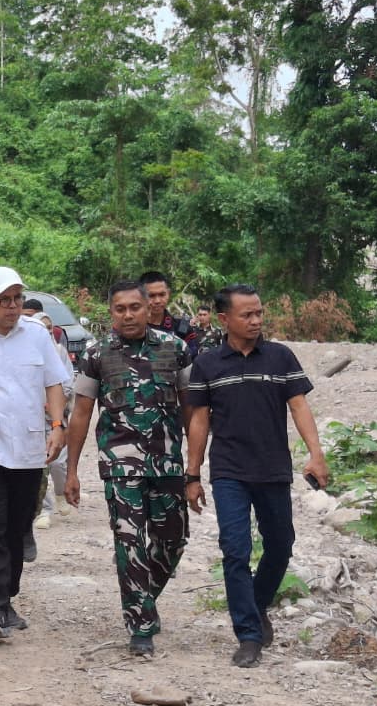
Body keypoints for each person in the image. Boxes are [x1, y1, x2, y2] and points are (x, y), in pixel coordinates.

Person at [184, 284, 328, 668]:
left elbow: (299, 406)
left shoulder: (280, 357)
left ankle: (257, 603)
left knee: (281, 545)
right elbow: (199, 421)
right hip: (229, 471)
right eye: (246, 314)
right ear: (224, 319)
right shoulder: (208, 364)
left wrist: (316, 455)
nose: (255, 320)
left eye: (259, 313)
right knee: (235, 550)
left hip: (273, 468)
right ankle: (248, 635)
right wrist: (192, 474)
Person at [63, 280, 193, 657]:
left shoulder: (175, 349)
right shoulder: (96, 354)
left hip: (168, 464)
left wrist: (196, 464)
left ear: (148, 308)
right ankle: (140, 626)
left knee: (173, 540)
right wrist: (71, 470)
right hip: (120, 467)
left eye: (135, 307)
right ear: (111, 313)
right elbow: (81, 413)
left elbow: (192, 408)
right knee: (130, 542)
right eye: (120, 309)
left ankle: (143, 598)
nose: (128, 315)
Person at [0, 267, 70, 640]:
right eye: (4, 299)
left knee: (18, 527)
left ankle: (6, 598)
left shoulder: (37, 335)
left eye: (17, 298)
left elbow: (54, 384)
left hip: (28, 448)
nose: (12, 306)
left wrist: (58, 426)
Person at [28, 309, 74, 529]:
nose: (46, 332)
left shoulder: (59, 351)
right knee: (39, 464)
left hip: (56, 419)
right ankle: (43, 510)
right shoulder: (24, 353)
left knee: (57, 463)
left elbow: (67, 382)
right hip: (32, 420)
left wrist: (56, 404)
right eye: (41, 328)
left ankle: (60, 493)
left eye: (49, 328)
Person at [138, 271, 198, 361]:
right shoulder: (133, 327)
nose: (157, 301)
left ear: (168, 293)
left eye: (162, 294)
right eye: (151, 295)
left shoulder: (182, 327)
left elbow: (194, 359)